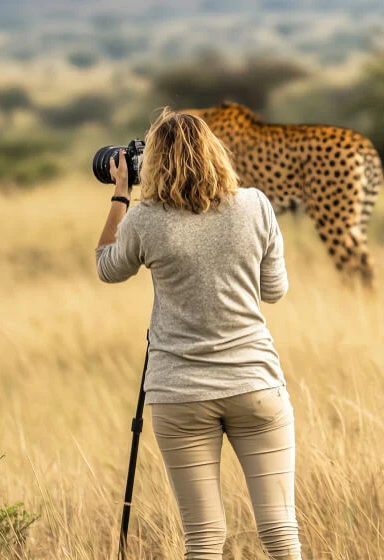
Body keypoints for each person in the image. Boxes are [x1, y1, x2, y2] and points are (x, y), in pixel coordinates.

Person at [95, 109, 300, 559]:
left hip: (178, 394)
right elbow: (275, 291)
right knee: (281, 532)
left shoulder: (145, 218)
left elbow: (107, 267)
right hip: (254, 383)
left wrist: (120, 195)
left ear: (155, 163)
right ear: (214, 152)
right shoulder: (255, 204)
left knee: (204, 538)